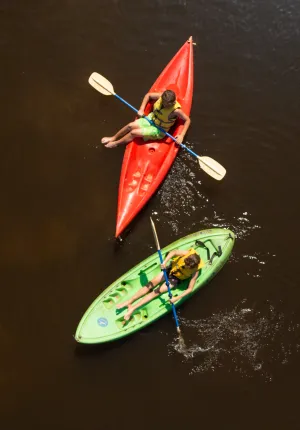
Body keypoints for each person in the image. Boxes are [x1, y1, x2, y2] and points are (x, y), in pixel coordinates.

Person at [116, 247, 205, 321]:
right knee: (150, 284)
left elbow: (190, 289)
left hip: (176, 279)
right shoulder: (186, 254)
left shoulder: (195, 271)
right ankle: (129, 301)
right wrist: (165, 262)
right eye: (185, 264)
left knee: (158, 291)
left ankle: (133, 308)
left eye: (187, 267)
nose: (185, 266)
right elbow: (173, 252)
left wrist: (176, 298)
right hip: (170, 269)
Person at [101, 89, 191, 148]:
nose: (164, 105)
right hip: (151, 119)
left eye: (167, 104)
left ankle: (116, 144)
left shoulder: (176, 111)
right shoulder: (161, 97)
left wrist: (181, 136)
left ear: (173, 103)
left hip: (159, 130)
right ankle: (113, 137)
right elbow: (148, 95)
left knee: (133, 132)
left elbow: (187, 120)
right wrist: (141, 109)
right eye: (163, 103)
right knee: (130, 125)